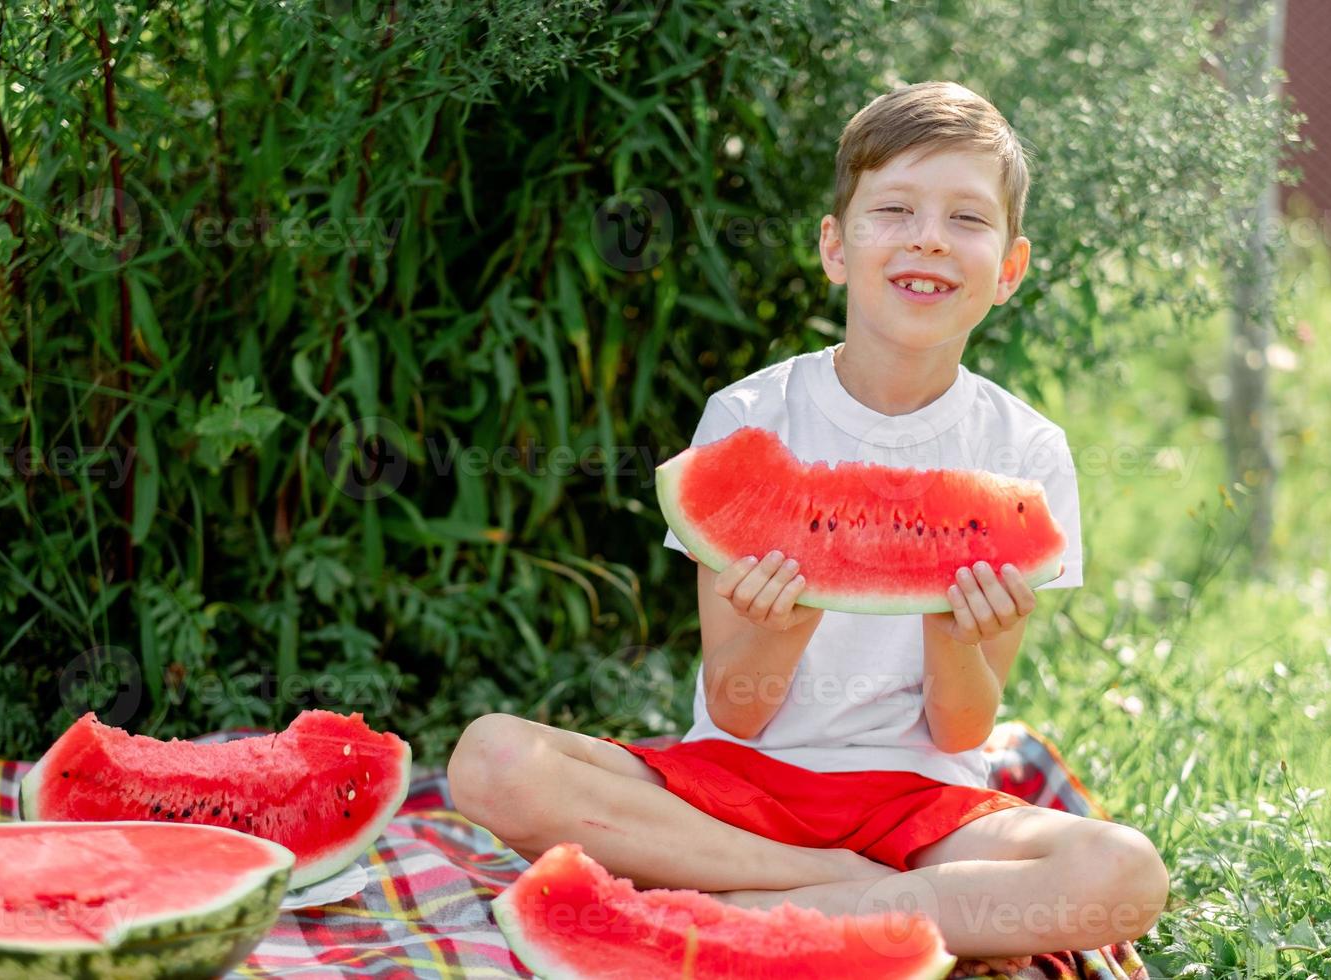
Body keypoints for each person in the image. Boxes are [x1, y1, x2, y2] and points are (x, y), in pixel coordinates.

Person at [448, 81, 1168, 969]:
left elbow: (962, 733)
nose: (929, 236)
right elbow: (736, 712)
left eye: (966, 219)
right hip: (736, 789)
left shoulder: (1025, 451)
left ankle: (734, 904)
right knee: (491, 761)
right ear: (836, 245)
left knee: (1121, 872)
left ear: (1010, 268)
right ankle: (817, 886)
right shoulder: (748, 419)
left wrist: (951, 633)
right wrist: (781, 633)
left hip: (922, 805)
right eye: (894, 208)